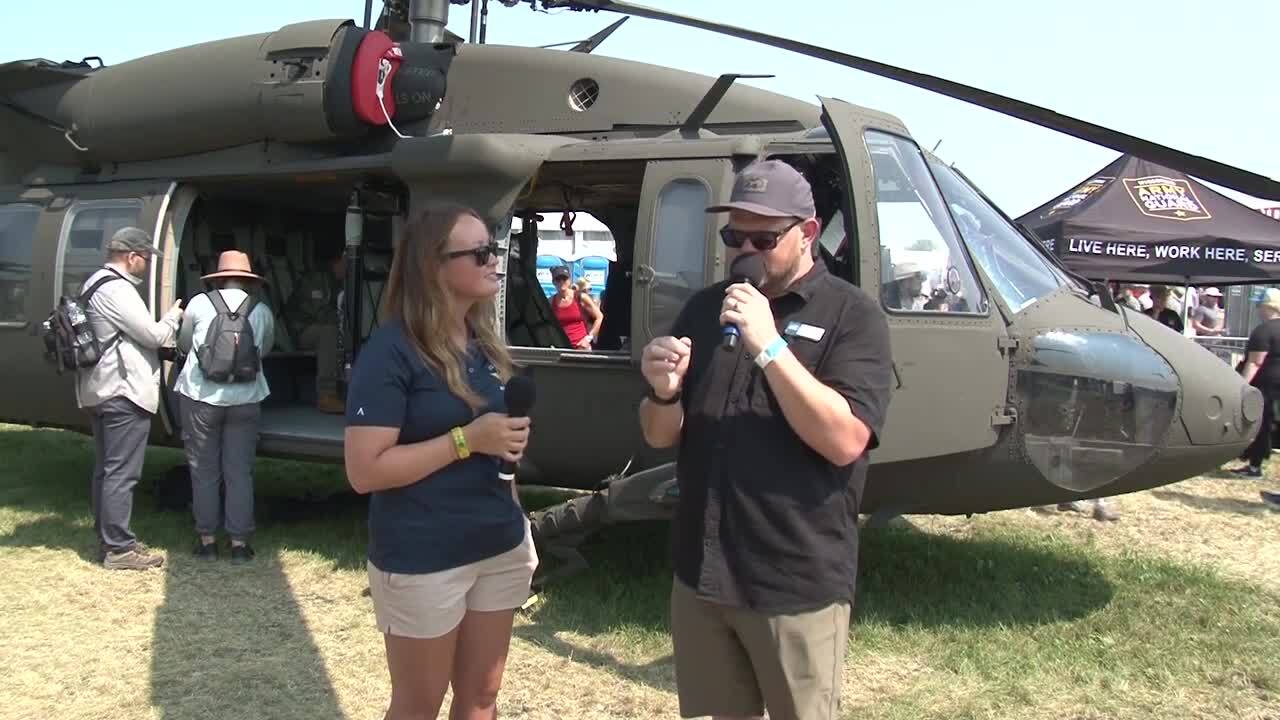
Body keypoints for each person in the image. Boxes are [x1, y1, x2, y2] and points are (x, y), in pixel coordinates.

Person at [638, 159, 894, 720]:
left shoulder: (855, 317)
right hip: (703, 577)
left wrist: (770, 347)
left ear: (807, 233)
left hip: (792, 584)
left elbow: (846, 440)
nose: (745, 251)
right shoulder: (707, 308)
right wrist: (662, 392)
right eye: (735, 237)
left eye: (764, 237)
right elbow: (660, 436)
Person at [343, 202, 538, 720]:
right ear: (433, 266)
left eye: (493, 248)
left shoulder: (480, 343)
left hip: (497, 545)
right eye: (479, 252)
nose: (494, 259)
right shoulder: (391, 351)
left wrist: (516, 519)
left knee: (482, 700)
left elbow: (497, 448)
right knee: (418, 704)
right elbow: (364, 471)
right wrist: (467, 440)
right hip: (424, 555)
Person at [77, 227, 184, 570]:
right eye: (145, 258)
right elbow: (152, 336)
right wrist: (173, 317)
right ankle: (120, 549)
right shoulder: (118, 289)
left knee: (106, 470)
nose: (146, 264)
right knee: (122, 472)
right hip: (121, 391)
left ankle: (108, 538)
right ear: (132, 256)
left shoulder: (93, 282)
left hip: (98, 388)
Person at [174, 251, 275, 562]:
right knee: (239, 472)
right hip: (245, 398)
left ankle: (206, 541)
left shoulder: (199, 304)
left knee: (204, 471)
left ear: (217, 277)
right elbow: (265, 349)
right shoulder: (261, 310)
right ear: (247, 280)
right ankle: (239, 544)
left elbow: (184, 343)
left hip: (200, 395)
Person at [284, 250, 345, 413]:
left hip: (322, 329)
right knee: (329, 332)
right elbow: (321, 314)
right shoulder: (316, 280)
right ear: (337, 261)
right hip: (301, 331)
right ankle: (327, 394)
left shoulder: (341, 282)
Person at [1231, 288, 1280, 478]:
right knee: (1269, 424)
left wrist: (1240, 387)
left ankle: (1254, 467)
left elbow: (1255, 362)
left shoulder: (1263, 330)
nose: (1257, 308)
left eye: (1260, 305)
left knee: (1260, 424)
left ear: (1268, 306)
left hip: (1265, 387)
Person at [548, 265, 602, 349]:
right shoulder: (551, 302)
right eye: (558, 279)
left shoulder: (580, 297)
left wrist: (588, 339)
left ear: (569, 280)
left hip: (581, 348)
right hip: (560, 349)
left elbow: (599, 317)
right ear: (553, 282)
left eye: (564, 279)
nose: (562, 282)